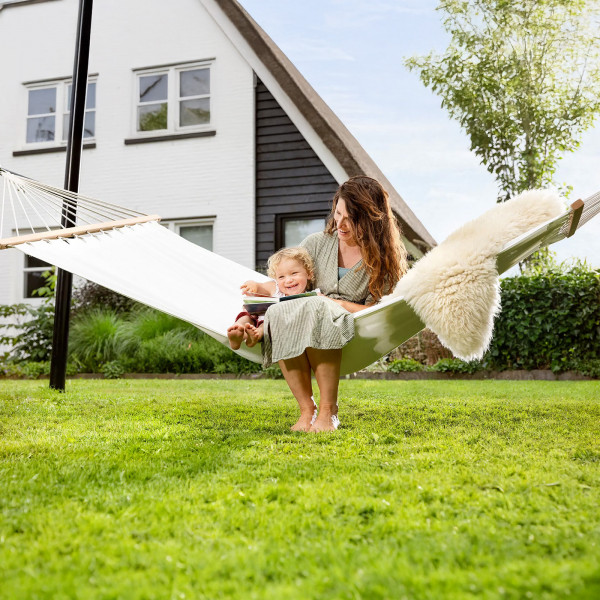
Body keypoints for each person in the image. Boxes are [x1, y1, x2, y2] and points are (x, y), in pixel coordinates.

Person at [262, 176, 408, 433]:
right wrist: (260, 288)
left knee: (317, 309)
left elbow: (379, 313)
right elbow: (288, 284)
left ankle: (329, 411)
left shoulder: (384, 261)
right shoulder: (315, 244)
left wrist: (331, 303)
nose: (340, 224)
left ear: (372, 219)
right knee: (282, 311)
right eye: (337, 213)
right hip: (302, 326)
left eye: (350, 219)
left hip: (350, 331)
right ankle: (308, 410)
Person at [227, 246, 316, 350]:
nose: (288, 280)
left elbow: (326, 302)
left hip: (270, 323)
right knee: (246, 317)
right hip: (256, 315)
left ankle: (255, 336)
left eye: (294, 273)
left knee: (266, 324)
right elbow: (260, 286)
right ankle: (237, 332)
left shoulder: (311, 296)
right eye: (281, 277)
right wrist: (253, 285)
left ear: (309, 274)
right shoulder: (275, 287)